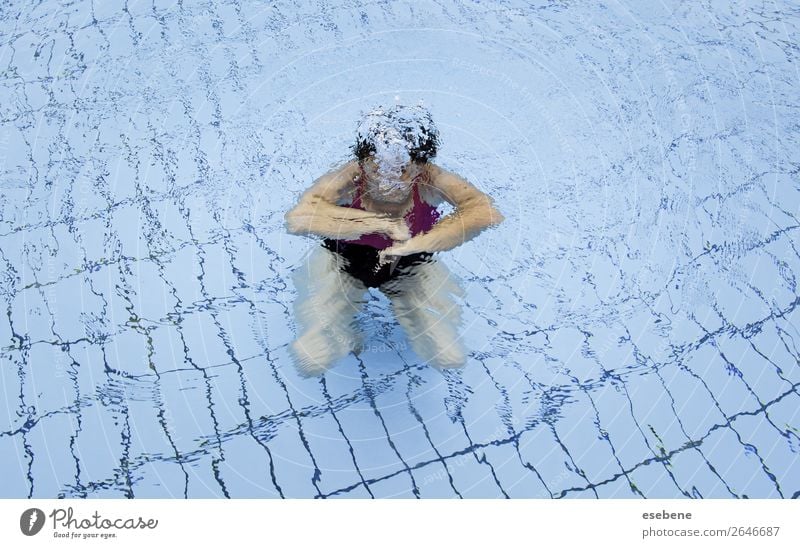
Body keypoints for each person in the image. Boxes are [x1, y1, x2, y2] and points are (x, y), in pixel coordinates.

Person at [284, 104, 504, 376]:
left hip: (413, 260)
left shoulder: (431, 179)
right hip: (341, 256)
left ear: (419, 165)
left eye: (400, 170)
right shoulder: (349, 176)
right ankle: (343, 331)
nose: (387, 180)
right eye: (376, 168)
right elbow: (300, 218)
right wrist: (378, 223)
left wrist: (421, 243)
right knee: (313, 355)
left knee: (447, 355)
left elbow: (484, 211)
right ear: (363, 161)